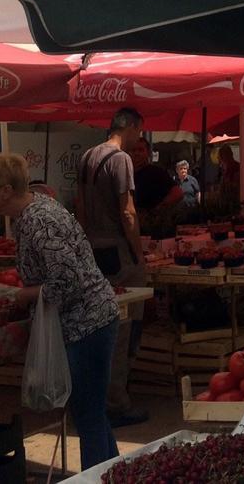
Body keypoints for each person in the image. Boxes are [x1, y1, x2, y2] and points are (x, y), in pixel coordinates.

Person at [0, 154, 120, 471]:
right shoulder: (29, 215)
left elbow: (69, 282)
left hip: (87, 324)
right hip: (82, 322)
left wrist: (20, 296)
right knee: (91, 411)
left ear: (6, 191)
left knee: (89, 415)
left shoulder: (41, 222)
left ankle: (99, 477)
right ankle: (116, 474)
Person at [75, 107, 148, 427]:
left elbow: (78, 204)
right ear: (129, 127)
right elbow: (128, 212)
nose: (139, 138)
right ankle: (116, 401)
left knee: (98, 325)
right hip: (118, 252)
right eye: (139, 131)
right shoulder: (121, 160)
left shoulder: (88, 156)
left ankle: (92, 396)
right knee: (124, 327)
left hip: (93, 248)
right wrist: (138, 252)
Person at [129, 139, 182, 215]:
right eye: (133, 150)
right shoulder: (125, 173)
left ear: (148, 153)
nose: (137, 153)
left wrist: (158, 209)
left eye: (141, 150)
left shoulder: (156, 172)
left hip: (150, 222)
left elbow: (177, 193)